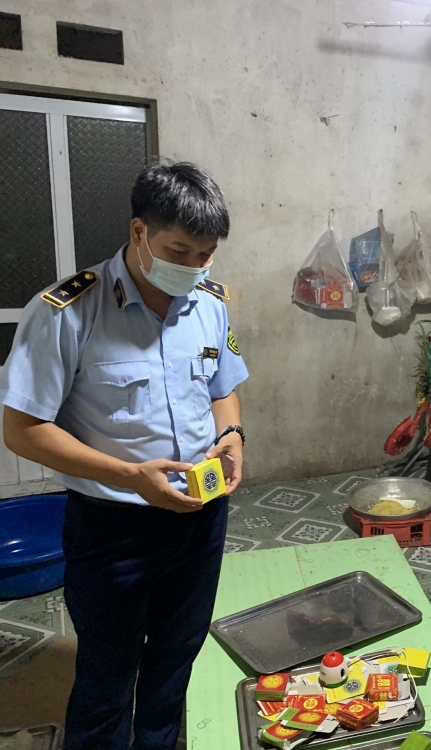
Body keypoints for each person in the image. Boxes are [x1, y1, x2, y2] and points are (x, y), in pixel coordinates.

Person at [0, 162, 249, 750]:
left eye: (206, 255)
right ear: (140, 232)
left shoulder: (209, 304)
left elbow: (223, 388)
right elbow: (22, 430)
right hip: (114, 530)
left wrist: (233, 436)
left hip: (201, 515)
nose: (194, 267)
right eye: (180, 251)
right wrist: (130, 476)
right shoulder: (66, 311)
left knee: (175, 659)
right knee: (107, 675)